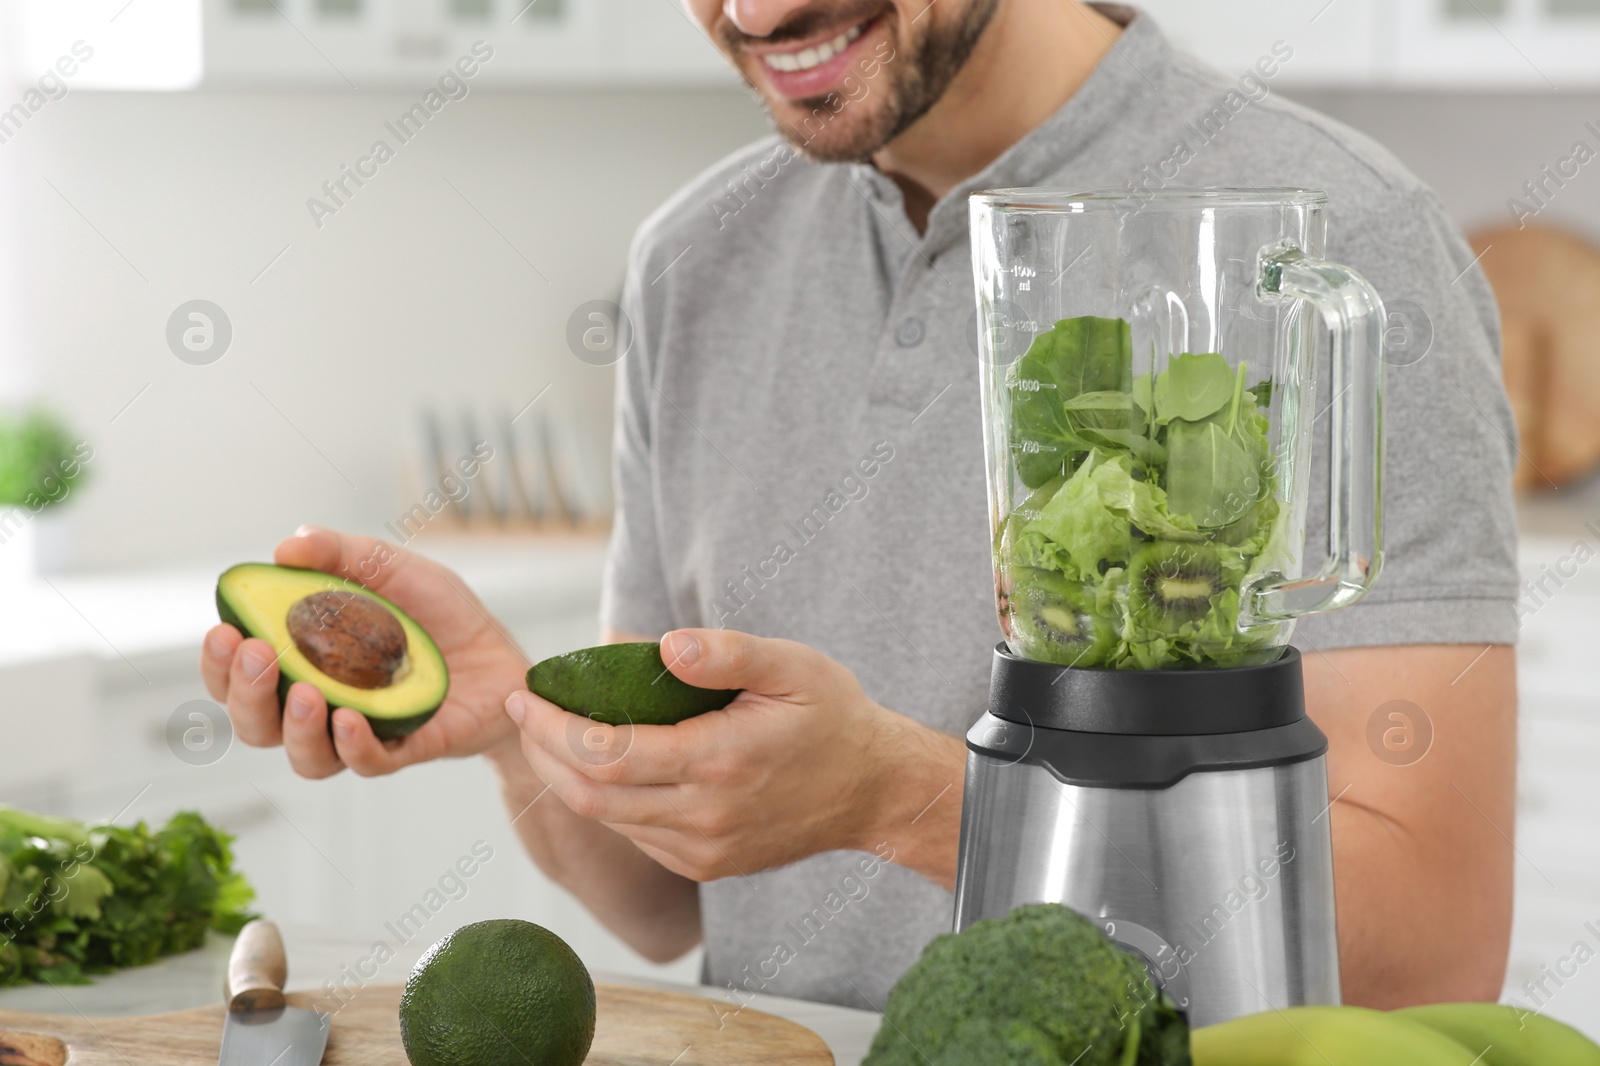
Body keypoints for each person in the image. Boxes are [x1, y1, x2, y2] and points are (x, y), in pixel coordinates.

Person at [202, 1, 1520, 1012]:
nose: (757, 11)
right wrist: (513, 725)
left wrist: (900, 798)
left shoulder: (1333, 241)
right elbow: (665, 901)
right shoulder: (696, 263)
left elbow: (1431, 952)